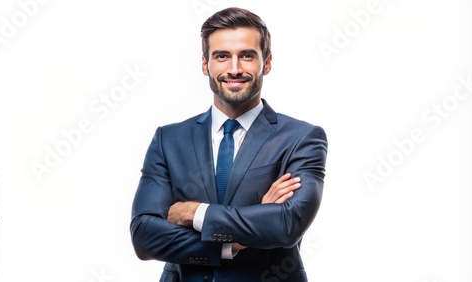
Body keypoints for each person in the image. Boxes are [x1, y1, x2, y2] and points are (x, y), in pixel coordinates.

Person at [130, 7, 327, 282]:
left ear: (266, 63)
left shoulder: (301, 139)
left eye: (247, 56)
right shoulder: (169, 140)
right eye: (222, 56)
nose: (234, 69)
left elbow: (286, 225)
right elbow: (144, 235)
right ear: (205, 64)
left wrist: (193, 212)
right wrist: (233, 243)